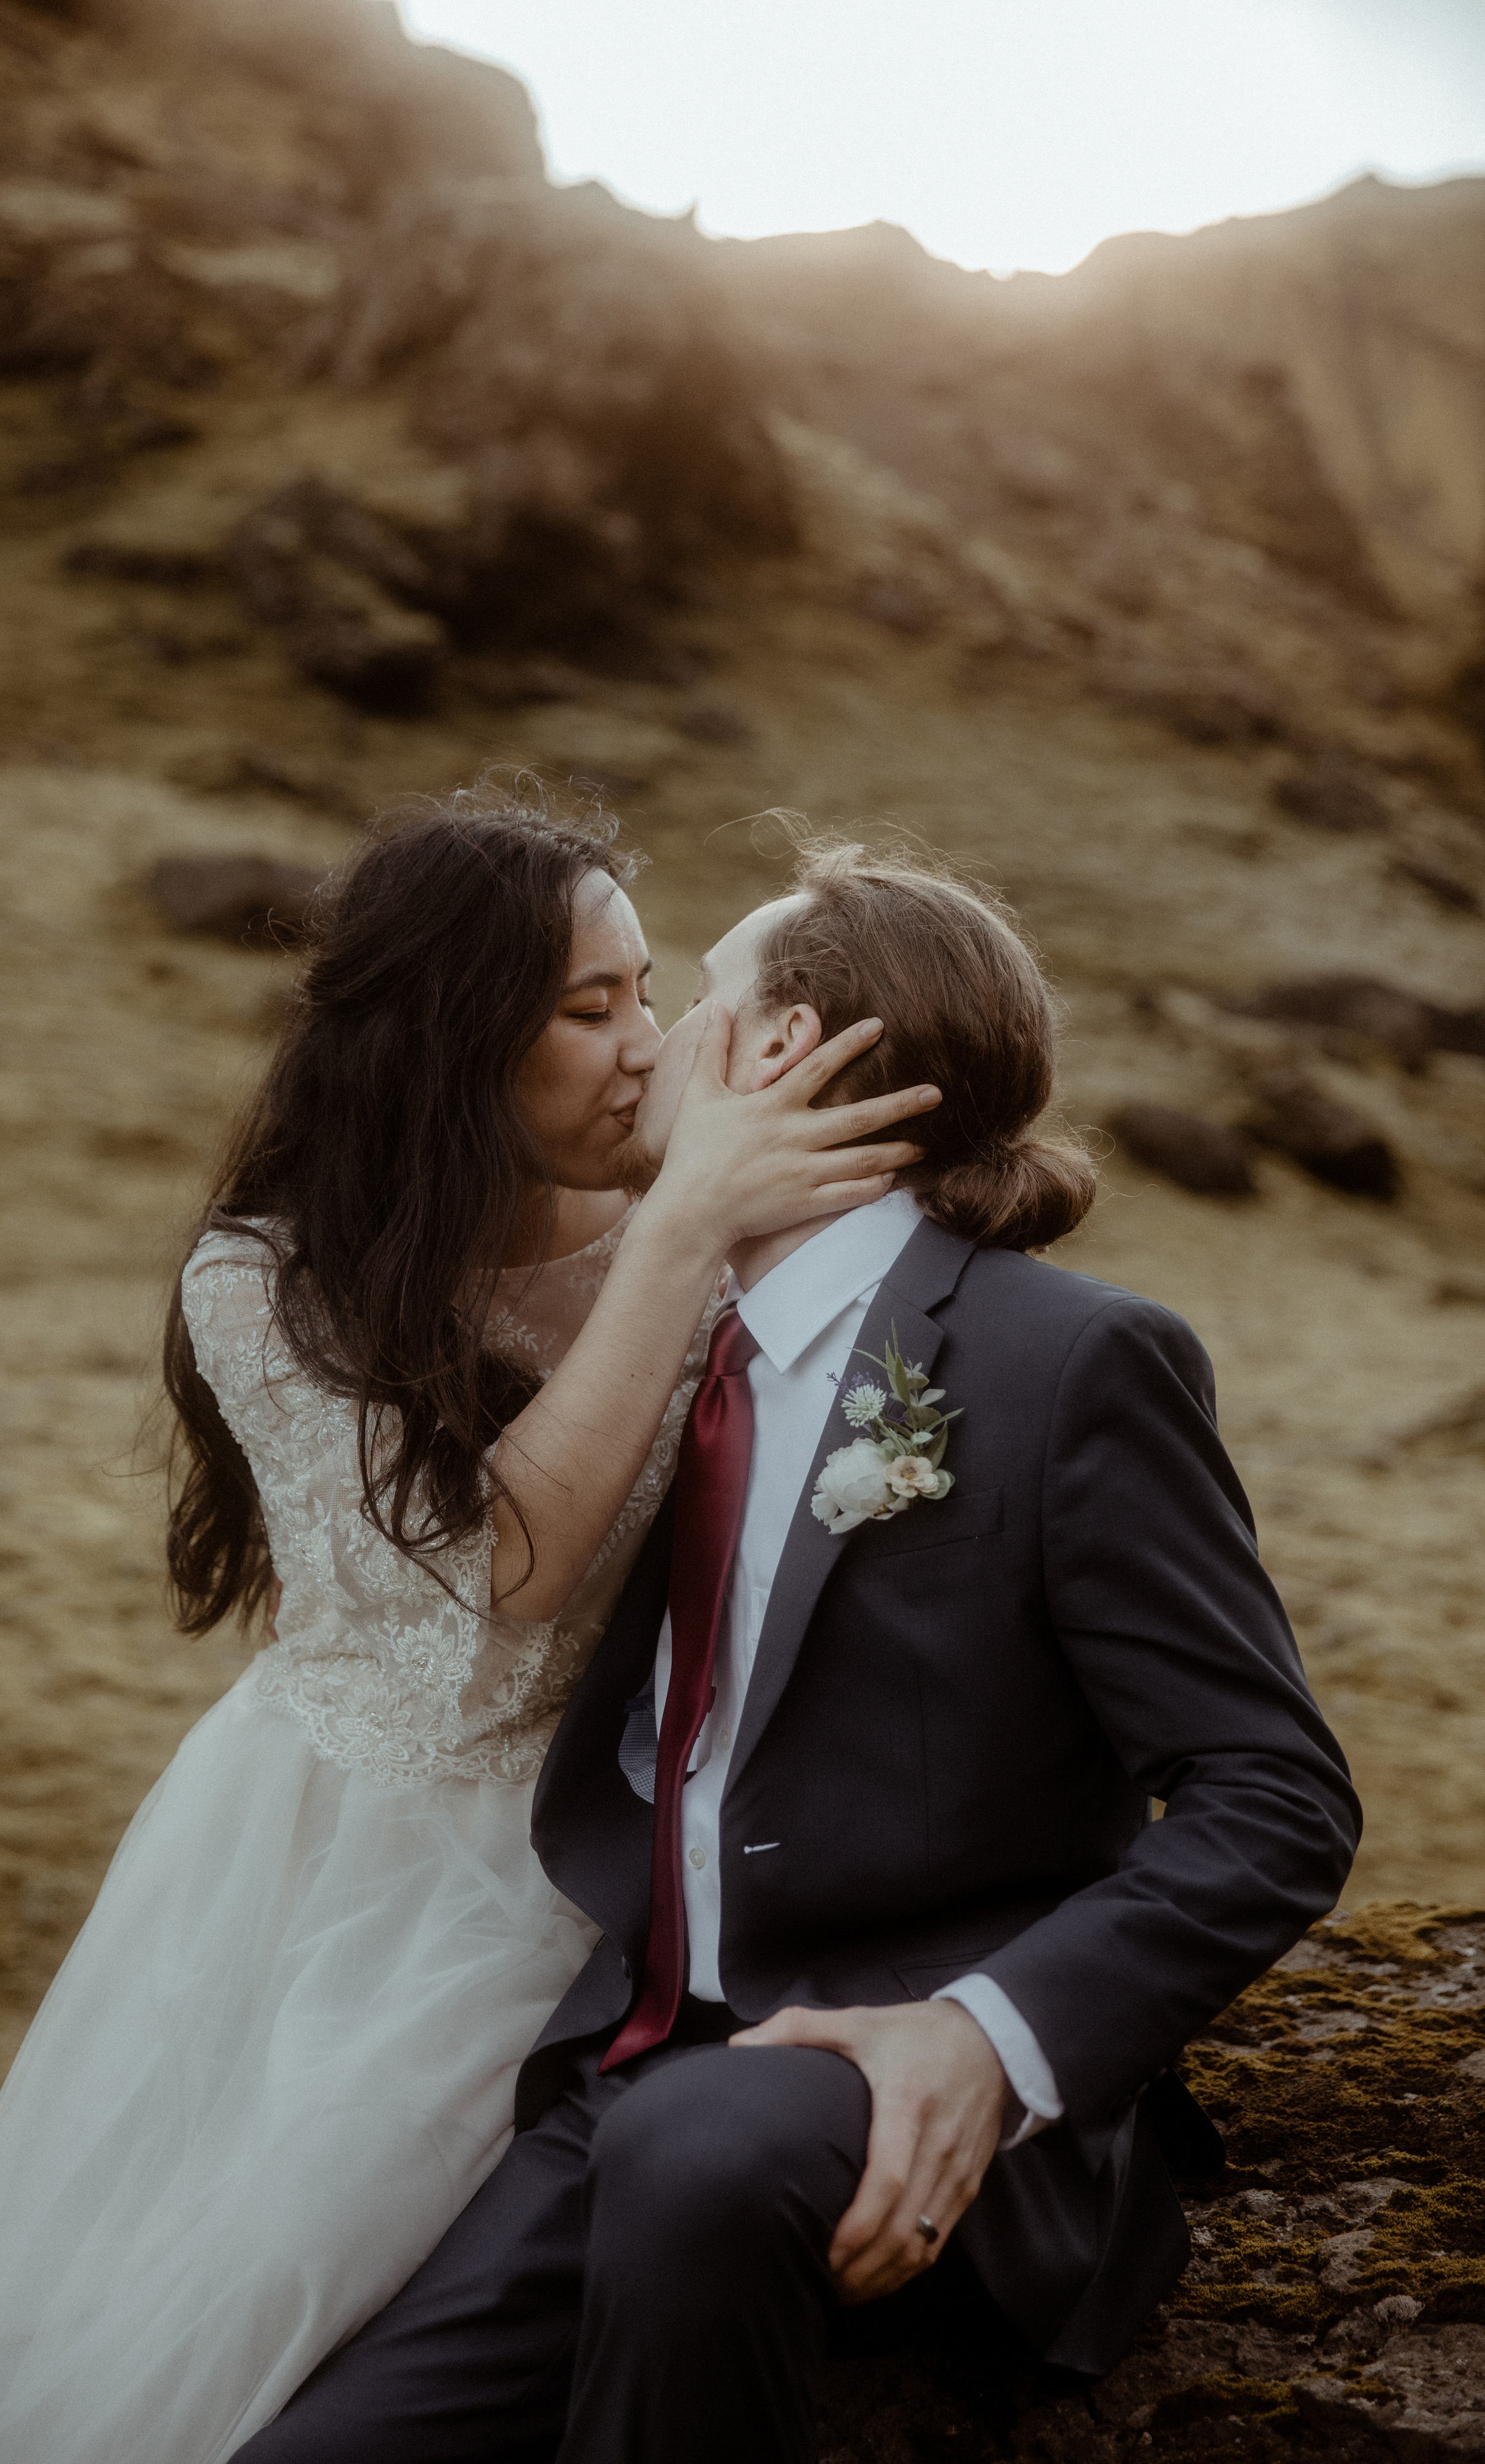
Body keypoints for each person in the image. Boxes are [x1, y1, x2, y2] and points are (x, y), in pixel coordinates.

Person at [0, 794, 938, 2464]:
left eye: (647, 993)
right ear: (449, 1038)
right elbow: (503, 1580)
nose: (645, 1051)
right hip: (333, 1853)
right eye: (589, 1010)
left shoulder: (686, 1211)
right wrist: (681, 1238)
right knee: (223, 2298)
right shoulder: (266, 1283)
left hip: (609, 1835)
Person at [235, 839, 1361, 2464]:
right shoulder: (672, 1351)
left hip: (883, 2070)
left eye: (693, 1001)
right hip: (623, 2066)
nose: (655, 1046)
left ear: (780, 1053)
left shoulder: (1068, 1360)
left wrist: (985, 2035)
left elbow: (1276, 1799)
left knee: (702, 2150)